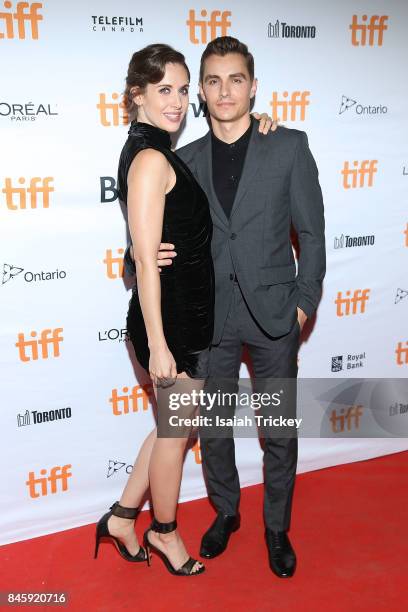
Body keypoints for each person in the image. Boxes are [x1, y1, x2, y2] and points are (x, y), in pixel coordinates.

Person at [148, 36, 326, 578]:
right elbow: (152, 240)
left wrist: (304, 304)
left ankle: (277, 526)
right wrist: (145, 256)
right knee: (214, 424)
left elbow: (312, 235)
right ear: (201, 91)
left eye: (236, 79)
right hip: (210, 318)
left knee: (279, 429)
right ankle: (227, 511)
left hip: (275, 315)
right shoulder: (180, 162)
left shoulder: (288, 145)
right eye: (213, 80)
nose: (225, 90)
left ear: (253, 85)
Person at [95, 43, 274, 577]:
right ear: (138, 96)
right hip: (169, 321)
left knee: (169, 427)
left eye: (179, 90)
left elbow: (149, 242)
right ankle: (164, 532)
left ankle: (124, 517)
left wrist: (260, 123)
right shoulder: (151, 158)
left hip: (182, 315)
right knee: (176, 435)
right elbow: (147, 265)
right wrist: (159, 345)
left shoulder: (156, 151)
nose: (175, 102)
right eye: (162, 90)